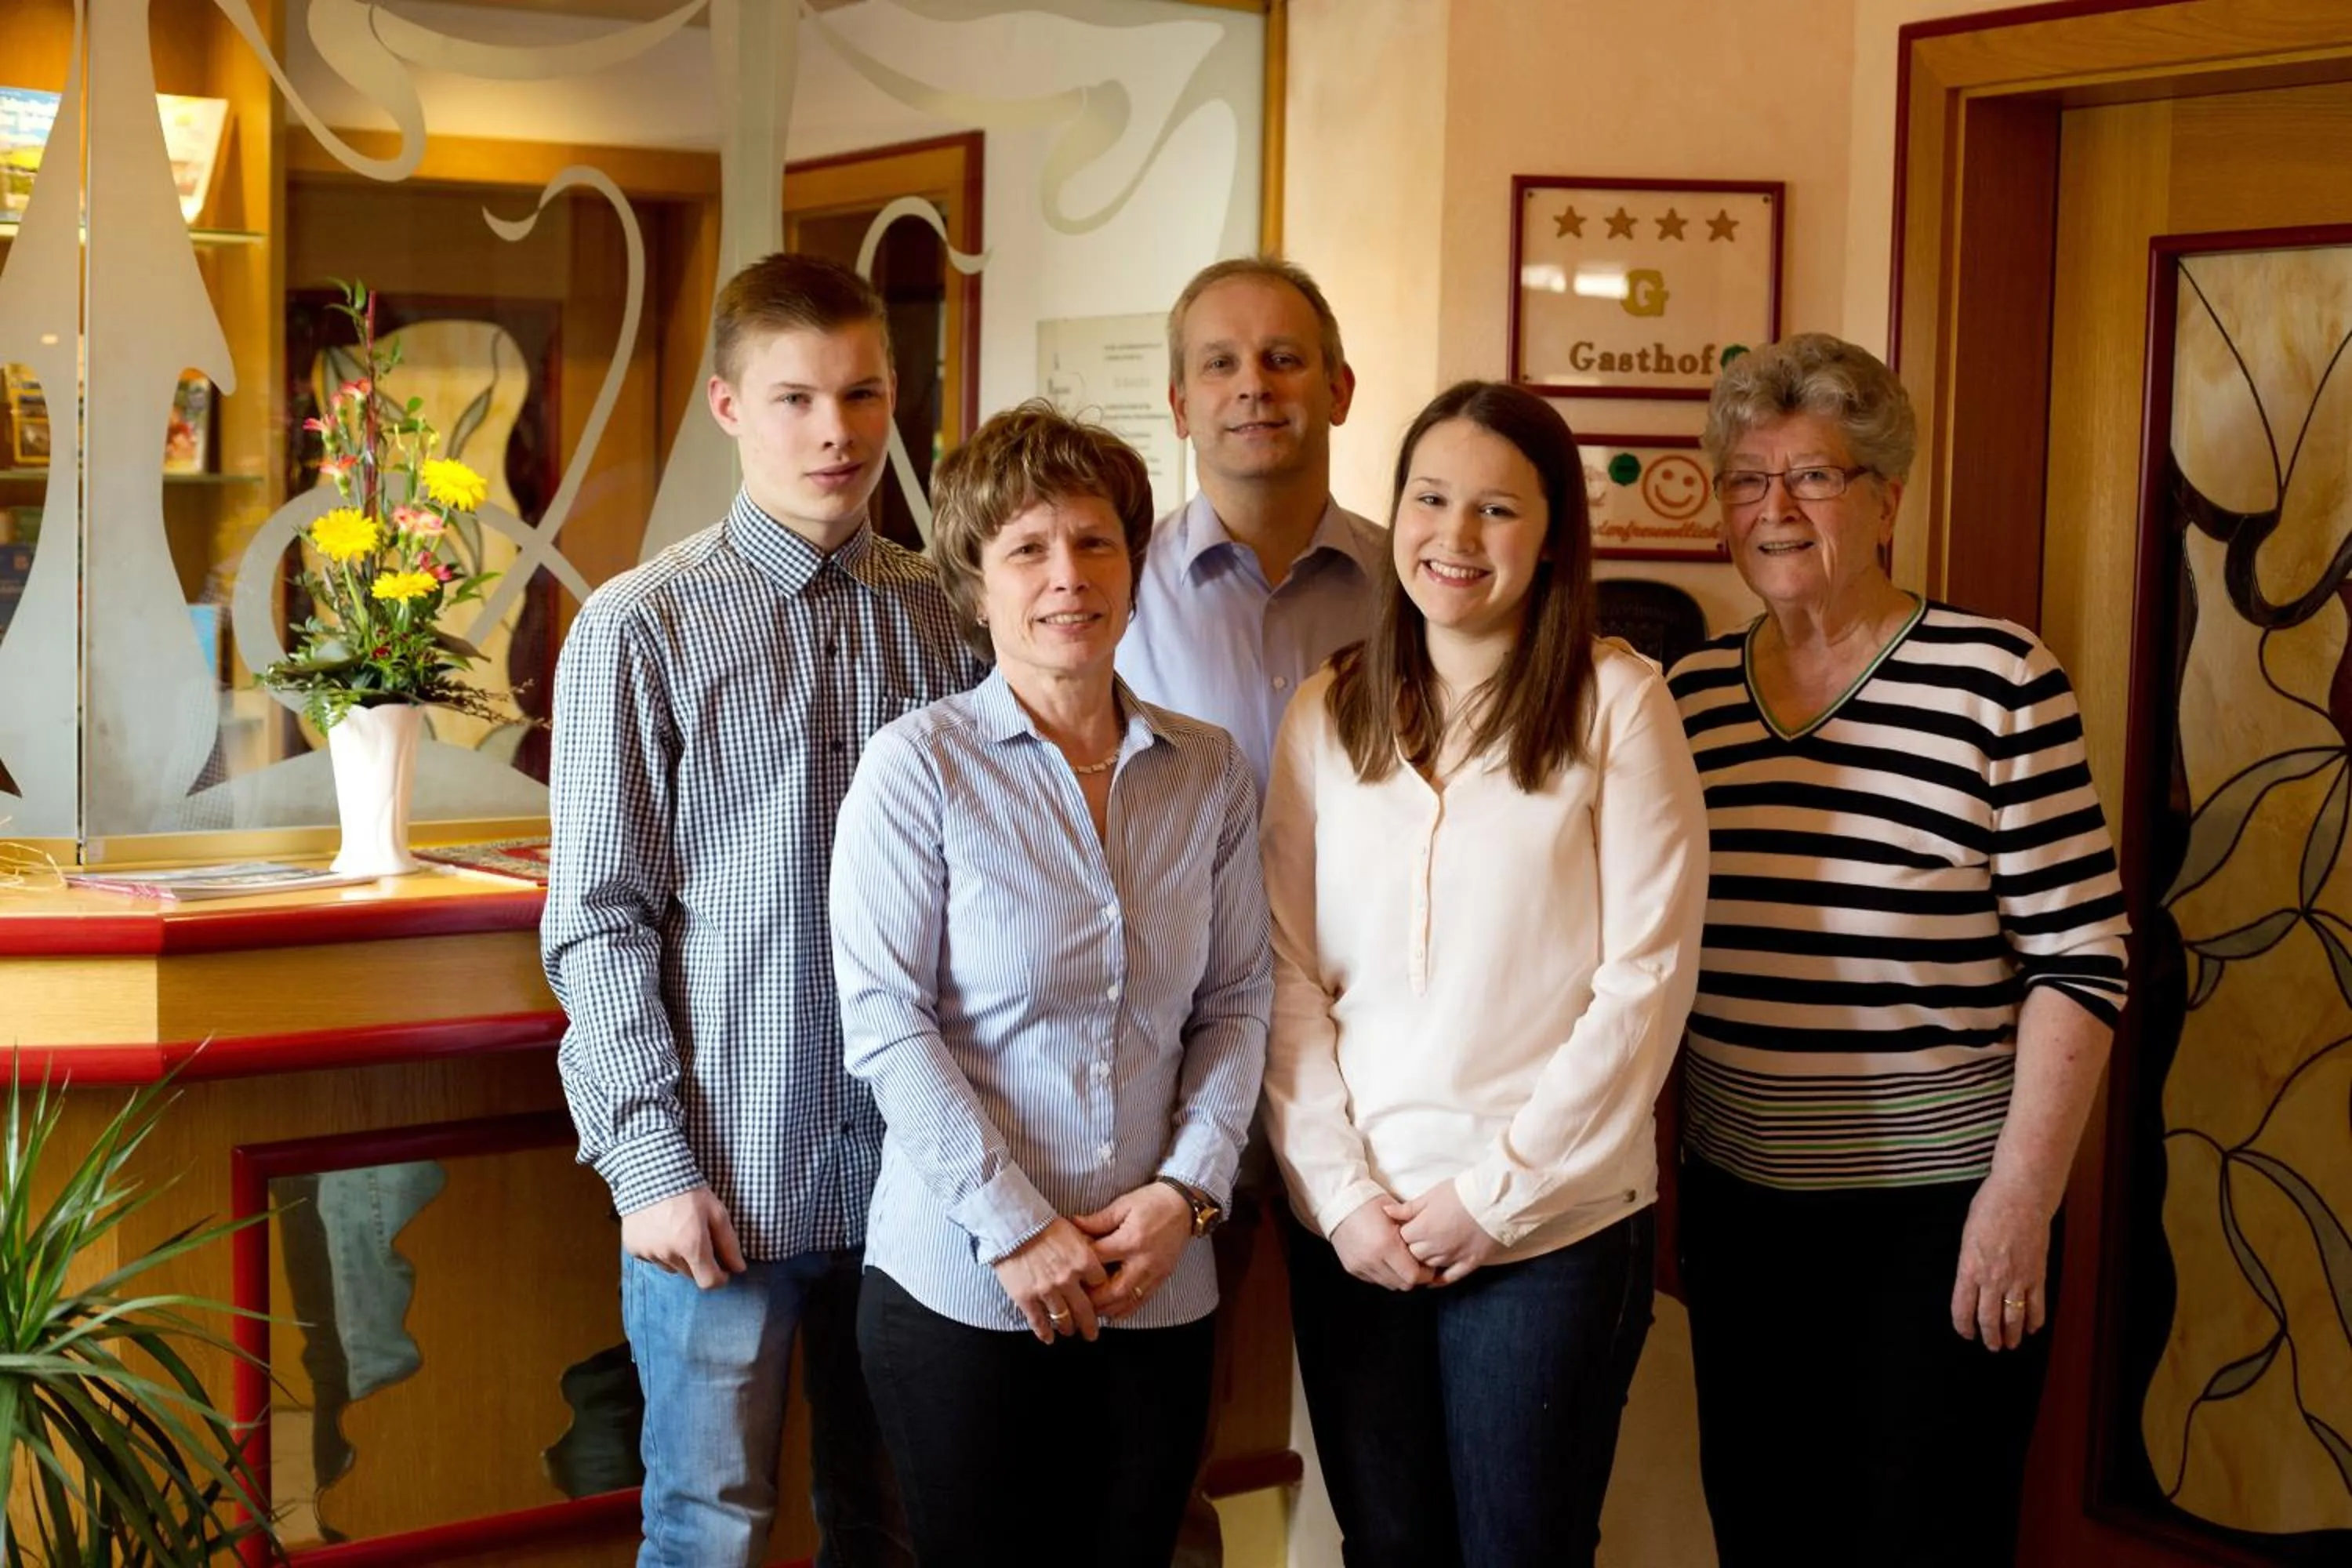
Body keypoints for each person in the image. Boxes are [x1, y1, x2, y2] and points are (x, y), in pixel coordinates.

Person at [1664, 332, 2130, 1567]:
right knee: (1763, 1528)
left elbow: (2082, 957)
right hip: (1742, 1214)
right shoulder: (1684, 699)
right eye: (1746, 480)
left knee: (1925, 1536)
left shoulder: (1997, 679)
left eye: (1812, 477)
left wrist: (2019, 1201)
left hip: (1943, 1218)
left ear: (1886, 497)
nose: (1775, 510)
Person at [545, 252, 980, 1568]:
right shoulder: (640, 627)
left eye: (861, 394)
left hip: (924, 1184)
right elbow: (597, 921)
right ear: (730, 406)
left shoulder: (953, 620)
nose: (836, 432)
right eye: (795, 398)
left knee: (896, 1527)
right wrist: (651, 1166)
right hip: (727, 1178)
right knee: (709, 1531)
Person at [1261, 379, 1709, 1568]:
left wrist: (1495, 1196)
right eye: (1431, 499)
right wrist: (1343, 1196)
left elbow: (1645, 984)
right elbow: (1286, 976)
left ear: (1554, 532)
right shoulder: (1327, 712)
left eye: (1498, 510)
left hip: (1549, 1233)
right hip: (1356, 1227)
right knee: (1388, 1549)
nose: (1455, 539)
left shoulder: (1619, 704)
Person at [829, 402, 1272, 1568]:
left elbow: (1235, 1005)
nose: (1067, 576)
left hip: (1158, 1284)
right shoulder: (916, 766)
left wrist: (1188, 1195)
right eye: (1027, 548)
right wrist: (1018, 1229)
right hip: (966, 1289)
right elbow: (886, 1024)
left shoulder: (1208, 771)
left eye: (1095, 542)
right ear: (975, 586)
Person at [1118, 255, 1383, 1566]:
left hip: (1376, 1064)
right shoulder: (1105, 598)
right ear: (1175, 402)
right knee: (1159, 1436)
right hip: (1178, 1066)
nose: (1253, 388)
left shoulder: (1421, 593)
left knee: (1382, 1426)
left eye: (1283, 359)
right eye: (1219, 363)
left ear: (1339, 385)